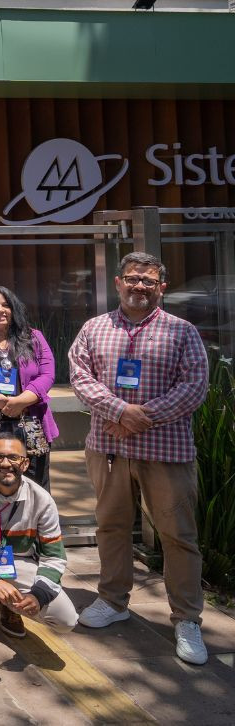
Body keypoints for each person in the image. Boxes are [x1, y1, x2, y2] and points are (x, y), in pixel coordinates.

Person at [68, 251, 210, 665]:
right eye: (132, 279)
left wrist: (141, 418)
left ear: (161, 287)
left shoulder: (181, 332)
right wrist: (118, 412)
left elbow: (194, 386)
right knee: (110, 527)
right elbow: (79, 376)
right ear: (118, 283)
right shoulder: (95, 329)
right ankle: (113, 601)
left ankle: (187, 618)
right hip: (109, 449)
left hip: (165, 450)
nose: (139, 287)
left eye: (148, 281)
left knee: (178, 536)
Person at [0, 433, 76, 665]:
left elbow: (55, 557)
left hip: (19, 561)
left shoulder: (42, 499)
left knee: (66, 620)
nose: (6, 463)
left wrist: (38, 595)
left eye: (13, 457)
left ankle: (10, 606)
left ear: (25, 463)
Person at [0, 286, 59, 489]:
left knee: (35, 483)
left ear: (13, 309)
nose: (0, 310)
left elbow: (48, 374)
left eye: (5, 305)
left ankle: (35, 521)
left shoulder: (33, 337)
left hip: (31, 419)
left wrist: (22, 401)